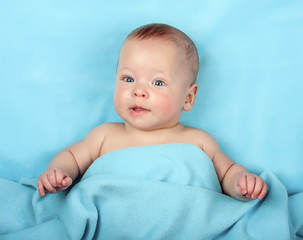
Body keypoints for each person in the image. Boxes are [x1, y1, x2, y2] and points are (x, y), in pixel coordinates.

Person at [38, 23, 267, 201]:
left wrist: (241, 184)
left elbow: (227, 173)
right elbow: (71, 157)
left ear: (188, 98)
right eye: (128, 79)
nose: (138, 91)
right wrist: (57, 172)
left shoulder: (199, 141)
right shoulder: (104, 136)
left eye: (157, 82)